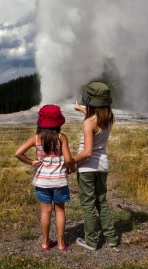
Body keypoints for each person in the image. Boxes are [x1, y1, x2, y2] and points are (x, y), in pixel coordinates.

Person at [15, 104, 76, 252]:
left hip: (42, 181)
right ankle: (61, 243)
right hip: (60, 181)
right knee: (60, 211)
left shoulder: (36, 139)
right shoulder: (62, 138)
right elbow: (68, 159)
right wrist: (72, 169)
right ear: (58, 123)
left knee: (45, 212)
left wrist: (31, 162)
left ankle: (45, 242)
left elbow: (18, 153)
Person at [73, 81, 119, 251]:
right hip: (102, 166)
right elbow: (94, 116)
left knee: (88, 204)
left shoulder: (88, 123)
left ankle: (91, 241)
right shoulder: (108, 117)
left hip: (87, 168)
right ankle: (111, 237)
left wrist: (70, 161)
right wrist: (81, 110)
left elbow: (87, 152)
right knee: (102, 201)